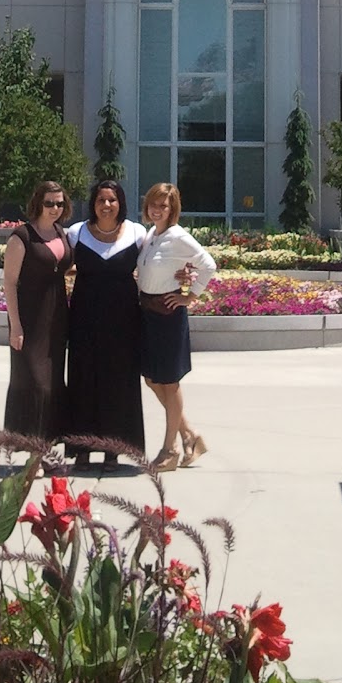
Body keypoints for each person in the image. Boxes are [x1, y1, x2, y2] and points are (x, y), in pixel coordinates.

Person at [64, 179, 147, 471]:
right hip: (84, 320)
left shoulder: (137, 233)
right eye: (101, 200)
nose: (107, 205)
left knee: (119, 383)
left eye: (112, 199)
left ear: (120, 202)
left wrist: (184, 283)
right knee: (83, 382)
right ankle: (82, 449)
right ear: (93, 203)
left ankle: (114, 451)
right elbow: (56, 266)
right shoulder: (76, 233)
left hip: (124, 322)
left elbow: (154, 266)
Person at [137, 181, 216, 471]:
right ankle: (190, 436)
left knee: (169, 383)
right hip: (148, 314)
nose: (157, 210)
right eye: (153, 204)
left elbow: (208, 264)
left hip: (168, 316)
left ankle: (169, 450)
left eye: (163, 205)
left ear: (173, 209)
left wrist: (190, 296)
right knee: (152, 380)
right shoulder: (151, 235)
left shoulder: (178, 237)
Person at [2, 180, 74, 467]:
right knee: (35, 385)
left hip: (57, 319)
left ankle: (46, 451)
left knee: (53, 385)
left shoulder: (61, 233)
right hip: (30, 321)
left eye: (59, 203)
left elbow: (61, 268)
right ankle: (34, 453)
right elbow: (9, 282)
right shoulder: (22, 237)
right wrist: (16, 326)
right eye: (49, 203)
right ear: (38, 203)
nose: (55, 208)